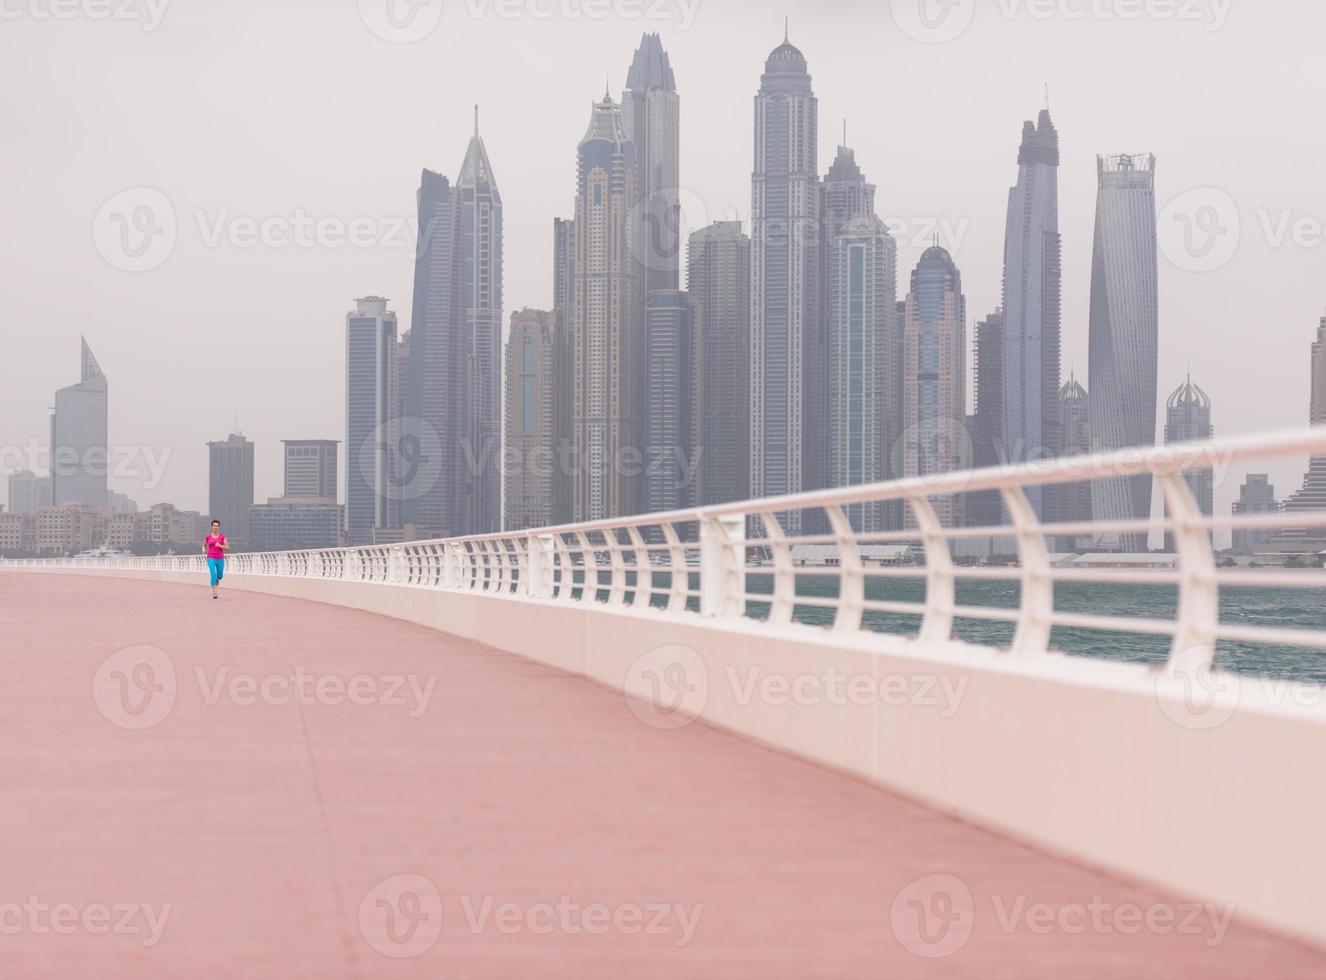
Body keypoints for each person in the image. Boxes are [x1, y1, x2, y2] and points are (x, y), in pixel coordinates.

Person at [203, 520, 229, 599]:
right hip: (211, 557)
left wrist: (220, 545)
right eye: (214, 525)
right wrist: (203, 549)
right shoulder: (208, 537)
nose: (215, 527)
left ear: (219, 527)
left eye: (217, 526)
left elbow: (227, 547)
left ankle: (217, 579)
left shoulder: (222, 537)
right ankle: (215, 593)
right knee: (213, 574)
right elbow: (204, 545)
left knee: (220, 576)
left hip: (220, 558)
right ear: (212, 527)